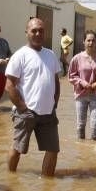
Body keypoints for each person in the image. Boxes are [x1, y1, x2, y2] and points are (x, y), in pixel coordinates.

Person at [5, 18, 62, 177]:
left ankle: (47, 184)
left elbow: (56, 81)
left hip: (48, 113)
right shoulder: (20, 55)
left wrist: (54, 102)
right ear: (27, 32)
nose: (38, 34)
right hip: (26, 112)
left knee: (53, 149)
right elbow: (9, 86)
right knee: (18, 149)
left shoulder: (50, 54)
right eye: (34, 30)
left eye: (41, 31)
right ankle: (10, 180)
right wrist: (23, 108)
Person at [67, 31, 96, 140]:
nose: (91, 43)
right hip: (81, 95)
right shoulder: (77, 58)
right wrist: (82, 82)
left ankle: (93, 150)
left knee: (95, 126)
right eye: (88, 40)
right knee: (80, 125)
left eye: (93, 40)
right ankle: (81, 149)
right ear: (84, 42)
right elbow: (71, 76)